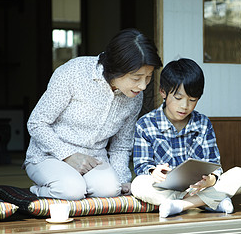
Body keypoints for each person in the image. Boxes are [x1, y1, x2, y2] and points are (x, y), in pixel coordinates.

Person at [23, 28, 163, 200]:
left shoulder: (134, 96)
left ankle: (77, 189)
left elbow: (121, 145)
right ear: (116, 69)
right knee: (71, 190)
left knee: (110, 191)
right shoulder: (73, 72)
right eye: (136, 78)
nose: (143, 86)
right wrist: (68, 155)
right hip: (49, 155)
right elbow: (37, 123)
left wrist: (122, 181)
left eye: (148, 77)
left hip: (94, 159)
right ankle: (35, 193)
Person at [131, 58, 241, 218]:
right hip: (166, 188)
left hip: (201, 187)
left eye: (192, 100)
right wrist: (154, 171)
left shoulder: (203, 123)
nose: (185, 106)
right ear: (163, 92)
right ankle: (210, 203)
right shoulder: (145, 124)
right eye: (178, 98)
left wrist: (210, 181)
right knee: (138, 185)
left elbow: (214, 165)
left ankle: (181, 205)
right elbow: (142, 165)